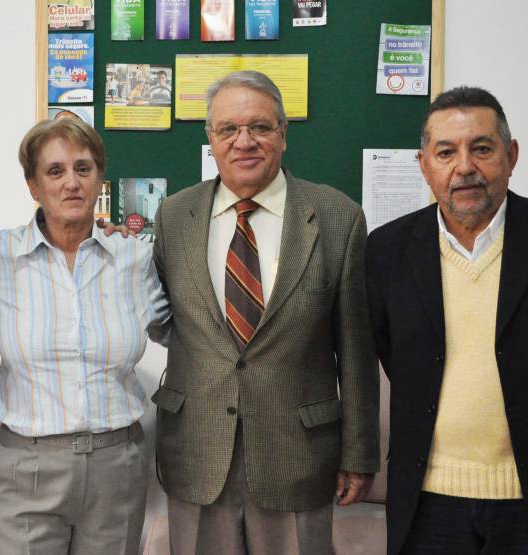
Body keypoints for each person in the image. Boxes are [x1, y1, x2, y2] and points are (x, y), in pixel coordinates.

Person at [365, 86, 528, 554]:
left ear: (511, 155)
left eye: (481, 148)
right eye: (446, 152)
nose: (464, 167)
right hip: (428, 500)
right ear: (425, 166)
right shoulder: (387, 250)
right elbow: (392, 351)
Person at [151, 70, 380, 554]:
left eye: (260, 126)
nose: (244, 141)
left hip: (299, 455)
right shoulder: (173, 216)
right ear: (210, 140)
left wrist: (360, 454)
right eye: (228, 129)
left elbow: (356, 350)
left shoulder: (338, 217)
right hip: (197, 448)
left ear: (283, 134)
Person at [0, 117, 170, 555]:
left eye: (83, 169)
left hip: (115, 467)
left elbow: (182, 334)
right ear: (32, 185)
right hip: (25, 468)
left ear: (99, 178)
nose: (71, 183)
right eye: (55, 171)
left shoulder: (134, 258)